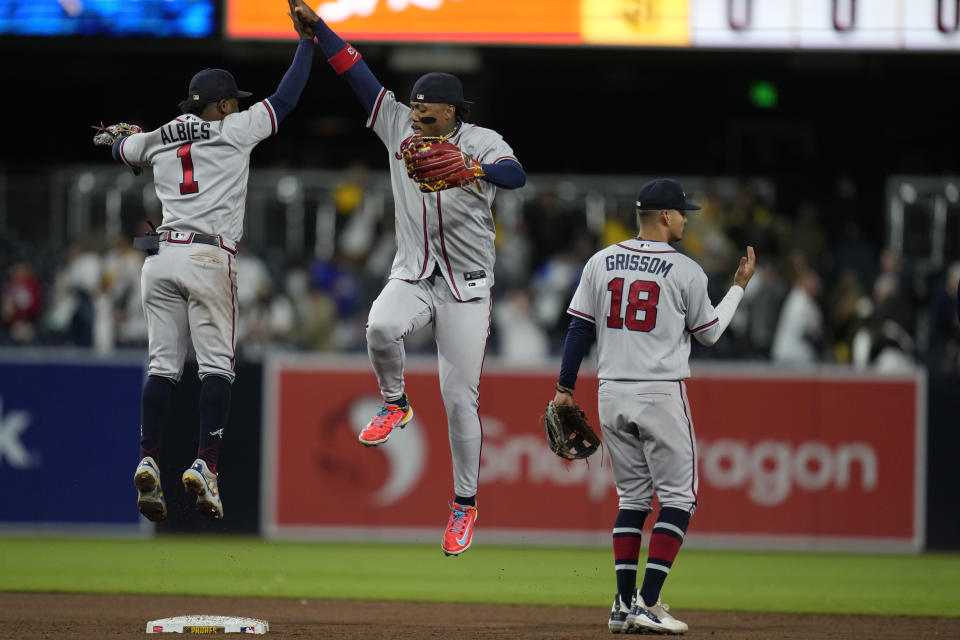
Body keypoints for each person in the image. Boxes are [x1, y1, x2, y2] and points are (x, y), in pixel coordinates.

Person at [290, 0, 526, 556]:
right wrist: (319, 29)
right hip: (415, 272)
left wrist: (474, 168)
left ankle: (463, 506)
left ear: (452, 113)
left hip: (467, 286)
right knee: (379, 327)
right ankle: (395, 401)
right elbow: (355, 71)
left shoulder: (483, 140)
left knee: (458, 398)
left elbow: (516, 175)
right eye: (415, 105)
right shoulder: (396, 122)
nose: (417, 114)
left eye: (428, 109)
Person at [93, 1, 315, 523]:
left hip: (160, 257)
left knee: (162, 367)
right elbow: (286, 99)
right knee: (218, 368)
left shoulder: (157, 137)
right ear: (217, 107)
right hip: (208, 256)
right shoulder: (234, 130)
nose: (237, 108)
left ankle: (148, 455)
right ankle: (205, 464)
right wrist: (306, 43)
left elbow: (119, 151)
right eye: (232, 102)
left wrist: (125, 139)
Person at [550, 178, 755, 634]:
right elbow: (710, 334)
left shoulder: (601, 261)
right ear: (665, 216)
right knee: (680, 499)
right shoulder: (686, 270)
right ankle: (648, 600)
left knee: (633, 499)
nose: (686, 219)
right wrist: (738, 288)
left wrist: (565, 388)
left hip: (610, 392)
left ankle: (623, 606)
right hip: (660, 392)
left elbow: (578, 328)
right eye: (683, 212)